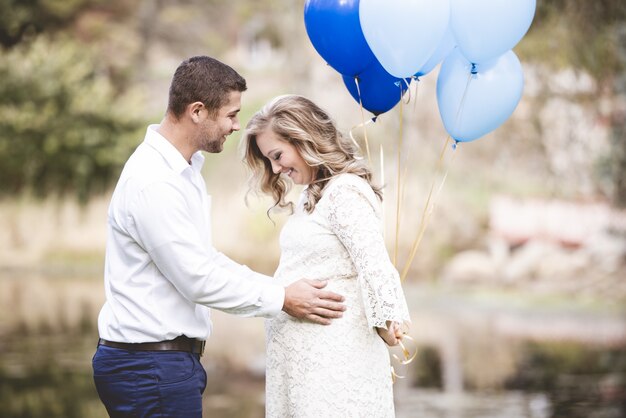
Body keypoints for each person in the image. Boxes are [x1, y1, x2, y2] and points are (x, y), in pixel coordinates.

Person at [92, 56, 346, 418]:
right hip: (148, 366)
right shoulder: (154, 182)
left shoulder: (182, 171)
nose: (235, 126)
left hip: (160, 364)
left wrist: (278, 288)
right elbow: (197, 278)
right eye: (230, 114)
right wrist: (282, 299)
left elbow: (204, 260)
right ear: (197, 111)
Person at [242, 94, 412, 417]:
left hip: (334, 370)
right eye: (270, 161)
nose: (276, 169)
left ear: (303, 138)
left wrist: (387, 320)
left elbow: (372, 261)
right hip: (305, 373)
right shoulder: (313, 195)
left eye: (277, 156)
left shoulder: (344, 191)